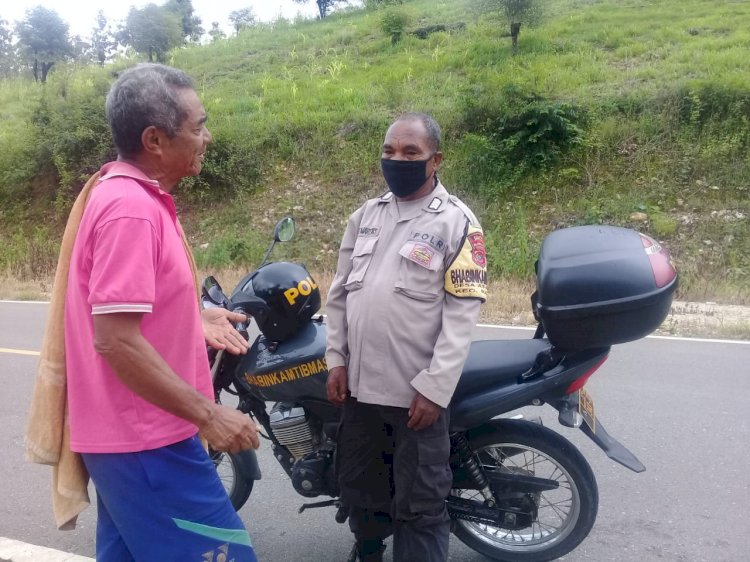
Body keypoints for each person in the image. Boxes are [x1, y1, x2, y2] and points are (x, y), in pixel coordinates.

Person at [63, 63, 260, 561]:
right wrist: (209, 415)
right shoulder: (130, 209)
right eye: (197, 126)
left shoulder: (133, 196)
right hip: (148, 443)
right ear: (155, 138)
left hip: (133, 442)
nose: (206, 137)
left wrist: (197, 317)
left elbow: (126, 311)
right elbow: (114, 339)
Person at [325, 113, 488, 562]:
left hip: (415, 397)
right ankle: (369, 551)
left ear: (435, 160)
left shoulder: (456, 223)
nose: (397, 160)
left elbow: (462, 315)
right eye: (389, 152)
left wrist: (434, 388)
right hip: (359, 392)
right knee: (361, 491)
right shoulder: (365, 216)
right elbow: (338, 295)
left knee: (420, 506)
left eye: (410, 153)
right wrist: (335, 360)